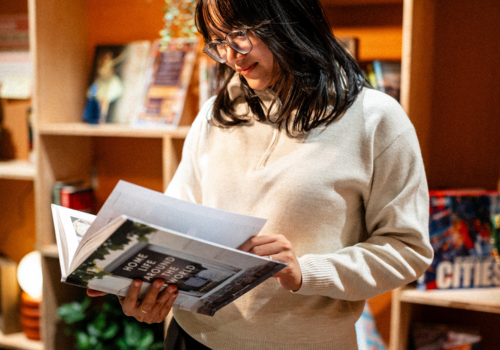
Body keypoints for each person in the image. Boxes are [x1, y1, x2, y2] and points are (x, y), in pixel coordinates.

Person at [89, 0, 434, 349]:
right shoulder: (214, 114)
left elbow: (407, 249)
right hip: (192, 339)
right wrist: (151, 294)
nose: (231, 55)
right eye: (218, 41)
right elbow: (176, 228)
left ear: (289, 17)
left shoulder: (376, 119)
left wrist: (305, 271)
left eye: (239, 34)